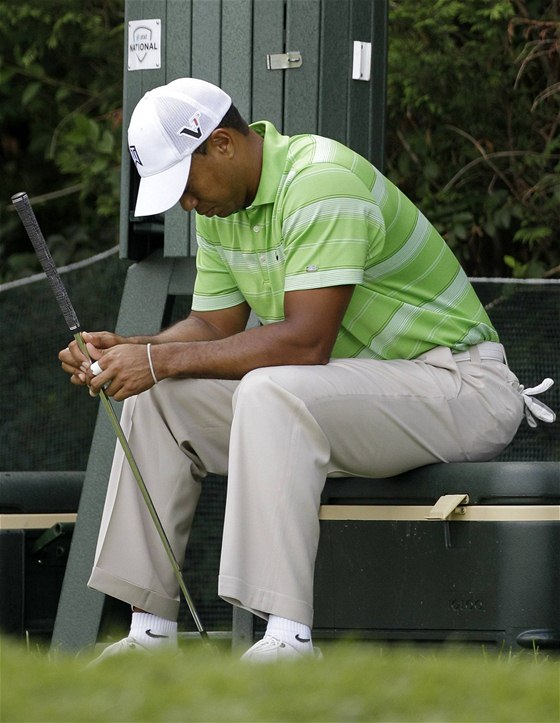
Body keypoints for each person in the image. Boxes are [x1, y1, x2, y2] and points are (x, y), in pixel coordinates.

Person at [59, 78, 554, 663]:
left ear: (221, 144)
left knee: (270, 389)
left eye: (185, 185)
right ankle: (149, 633)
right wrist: (130, 351)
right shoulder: (223, 210)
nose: (186, 205)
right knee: (158, 399)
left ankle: (288, 638)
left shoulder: (319, 182)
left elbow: (306, 341)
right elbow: (213, 329)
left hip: (461, 389)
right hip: (348, 398)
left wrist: (156, 358)